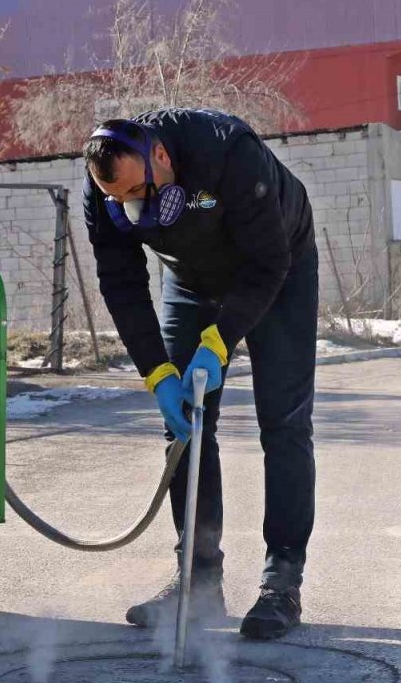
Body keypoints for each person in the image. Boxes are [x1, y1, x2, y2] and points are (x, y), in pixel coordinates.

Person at [82, 108, 318, 640]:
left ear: (161, 155)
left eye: (138, 191)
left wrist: (219, 341)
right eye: (119, 200)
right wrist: (157, 373)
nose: (131, 207)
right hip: (190, 279)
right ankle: (198, 581)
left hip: (276, 270)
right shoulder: (106, 186)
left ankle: (282, 582)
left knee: (283, 421)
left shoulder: (229, 153)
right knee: (186, 426)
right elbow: (121, 284)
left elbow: (268, 262)